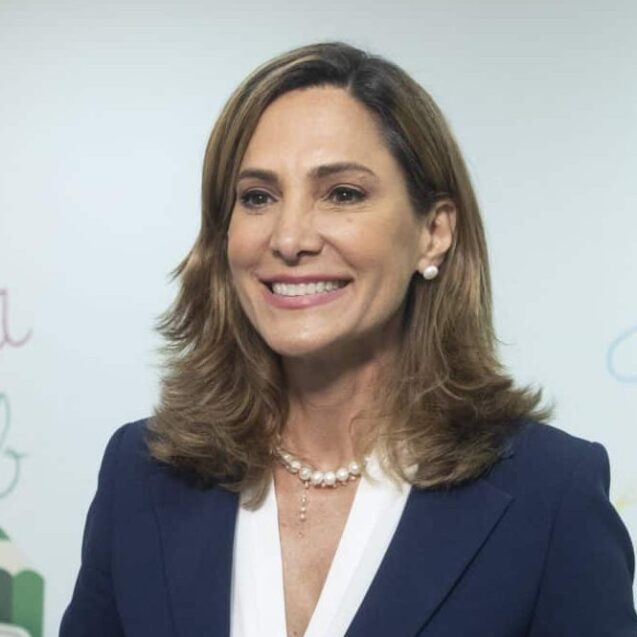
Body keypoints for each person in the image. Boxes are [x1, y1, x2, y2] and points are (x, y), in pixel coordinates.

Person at [60, 41, 637, 636]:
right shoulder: (141, 473)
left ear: (433, 232)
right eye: (257, 197)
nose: (289, 239)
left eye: (343, 194)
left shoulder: (551, 492)